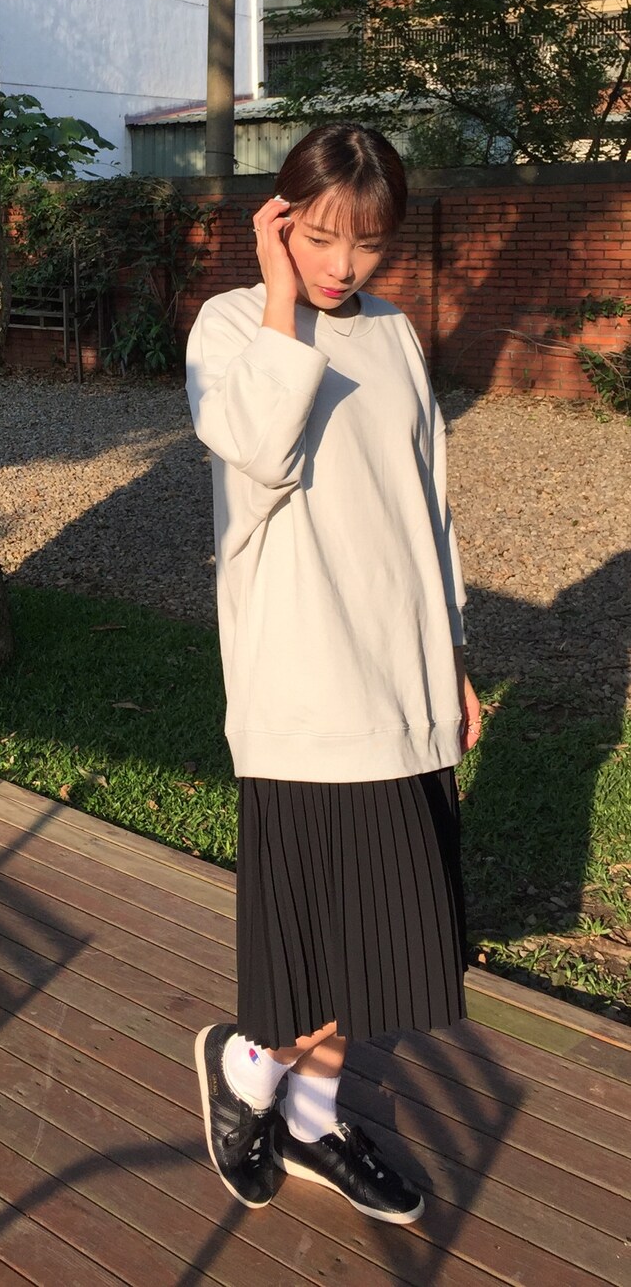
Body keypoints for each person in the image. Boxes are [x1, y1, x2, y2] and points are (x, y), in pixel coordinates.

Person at [187, 123, 481, 1221]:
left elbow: (427, 506)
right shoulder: (231, 325)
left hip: (401, 673)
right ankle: (249, 1071)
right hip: (304, 677)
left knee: (376, 942)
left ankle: (308, 1115)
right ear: (278, 219)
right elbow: (259, 451)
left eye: (366, 243)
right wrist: (278, 299)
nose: (341, 265)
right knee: (315, 939)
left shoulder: (394, 331)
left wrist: (452, 656)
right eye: (317, 235)